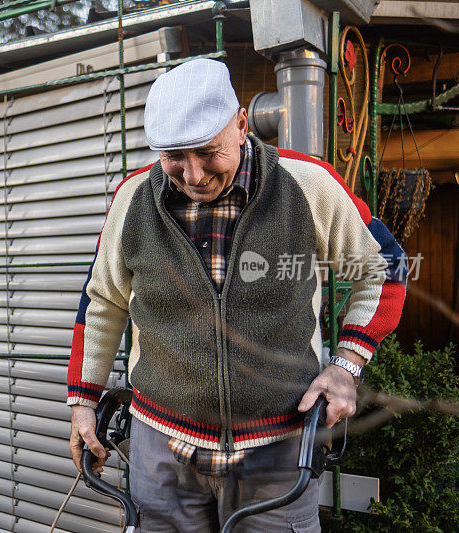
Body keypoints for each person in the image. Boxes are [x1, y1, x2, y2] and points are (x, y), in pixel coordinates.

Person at [66, 58, 406, 531]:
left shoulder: (308, 184)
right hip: (160, 453)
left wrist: (346, 366)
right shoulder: (131, 199)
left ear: (242, 124)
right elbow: (101, 302)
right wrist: (83, 401)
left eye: (208, 152)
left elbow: (385, 268)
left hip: (278, 452)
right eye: (174, 157)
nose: (193, 175)